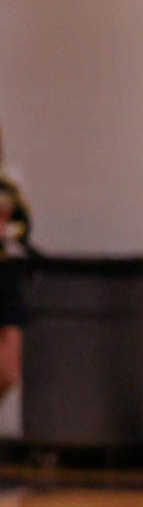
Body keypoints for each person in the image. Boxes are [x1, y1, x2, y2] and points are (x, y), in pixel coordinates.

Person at [0, 124, 31, 408]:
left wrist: (8, 227)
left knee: (9, 370)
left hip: (5, 274)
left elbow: (22, 228)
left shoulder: (8, 184)